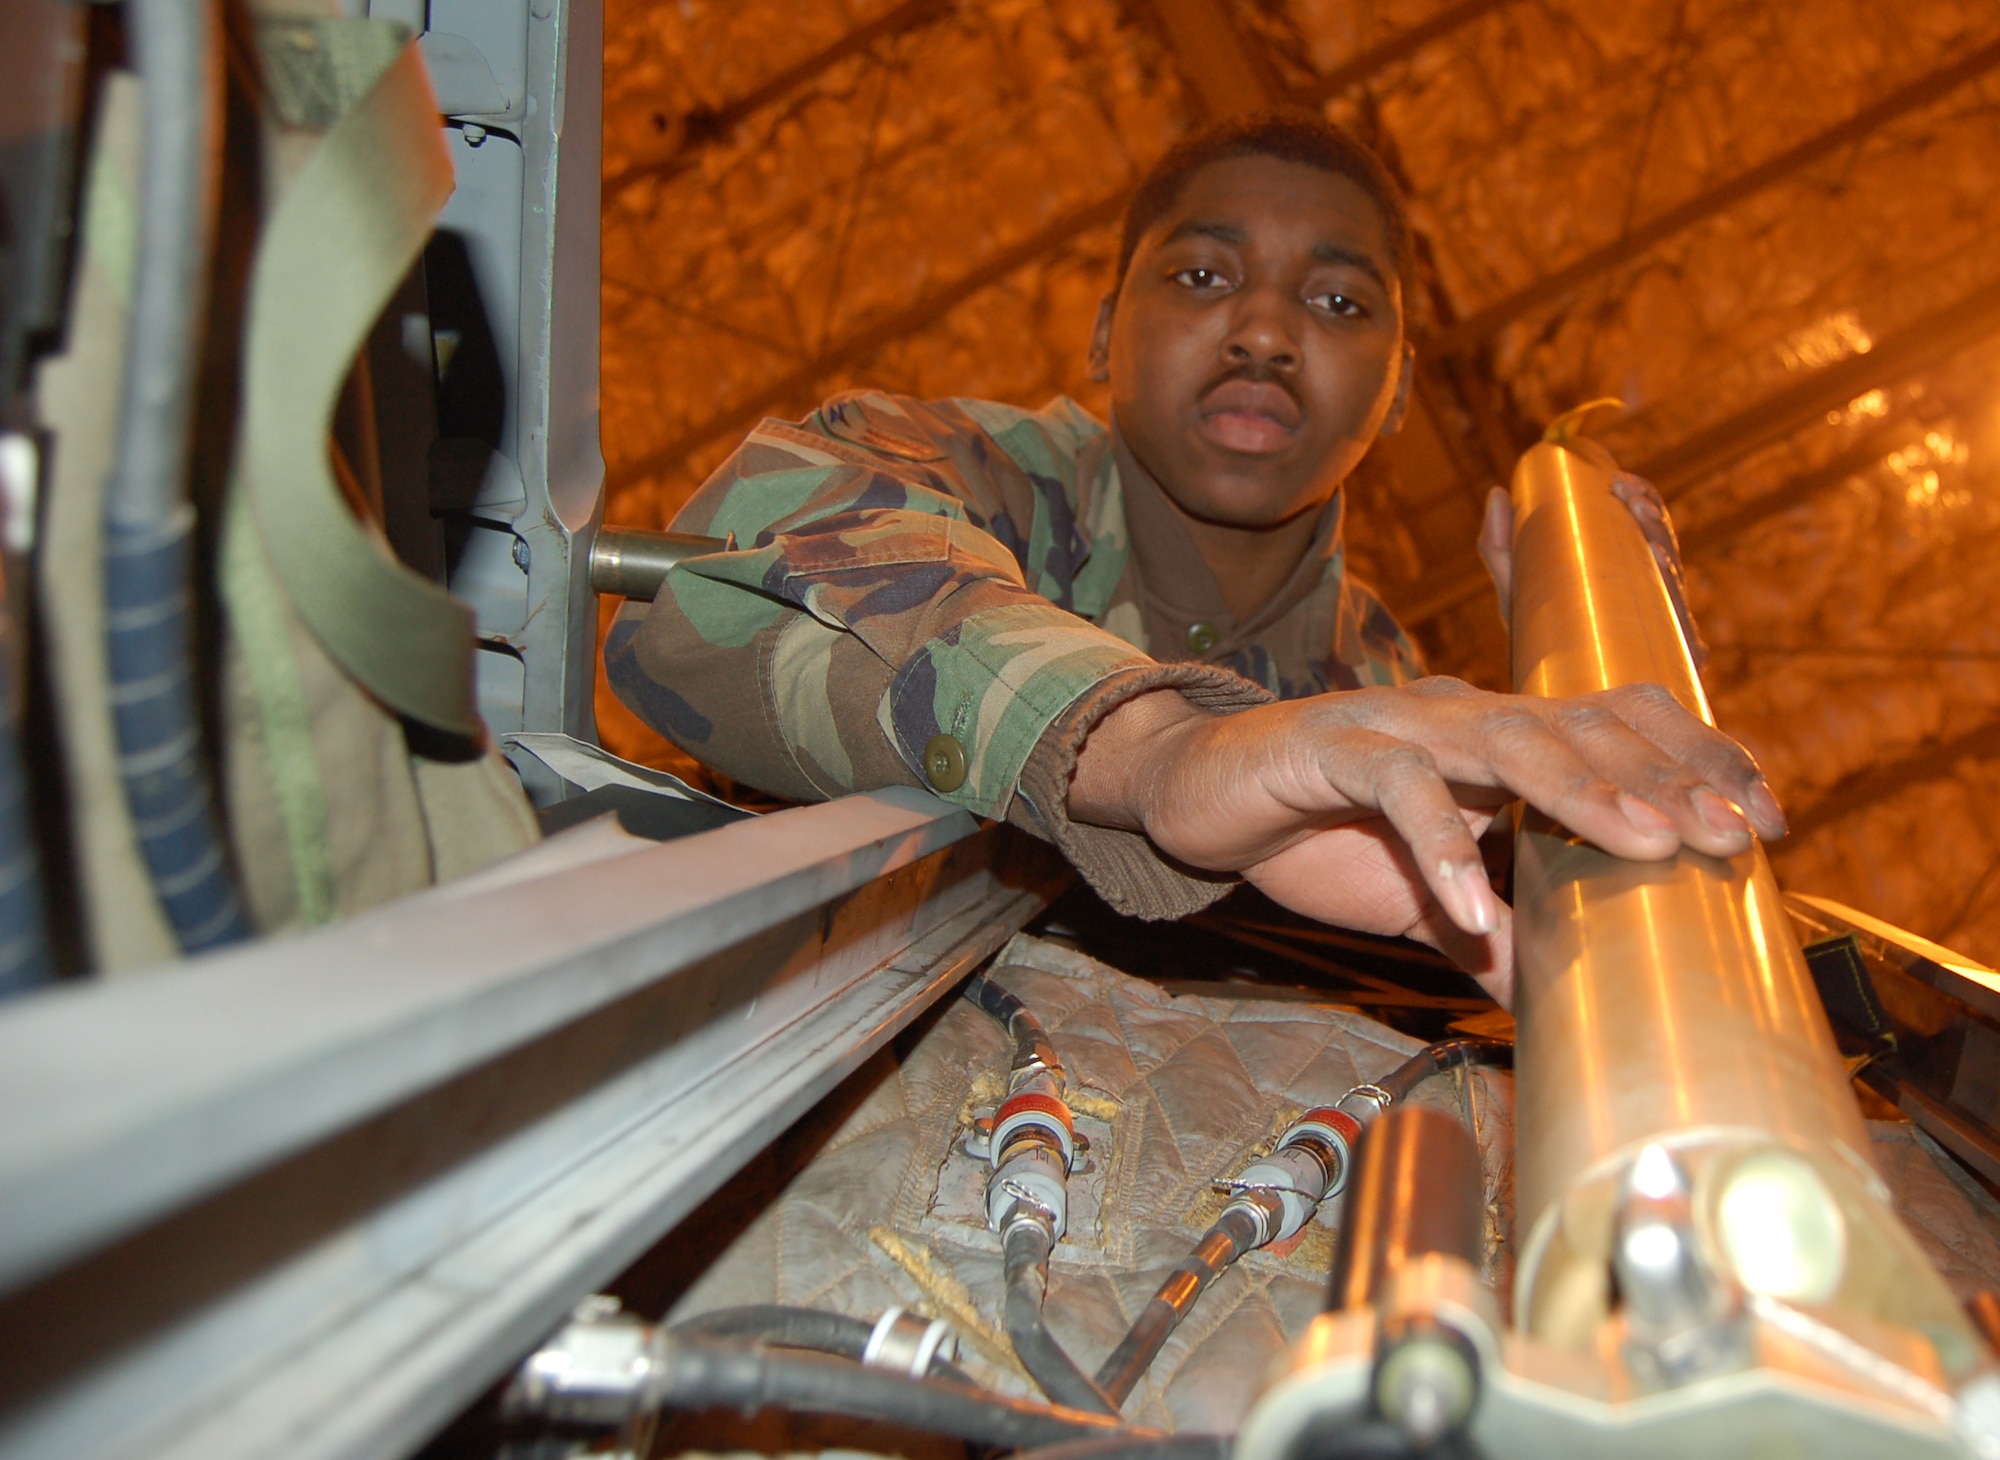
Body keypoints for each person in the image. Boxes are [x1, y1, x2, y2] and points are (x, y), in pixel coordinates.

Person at [605, 112, 1785, 1006]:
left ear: (1397, 391)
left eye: (1335, 300)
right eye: (1202, 277)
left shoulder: (1379, 678)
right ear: (1108, 329)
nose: (1265, 334)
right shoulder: (946, 464)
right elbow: (705, 611)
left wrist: (1570, 659)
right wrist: (1158, 747)